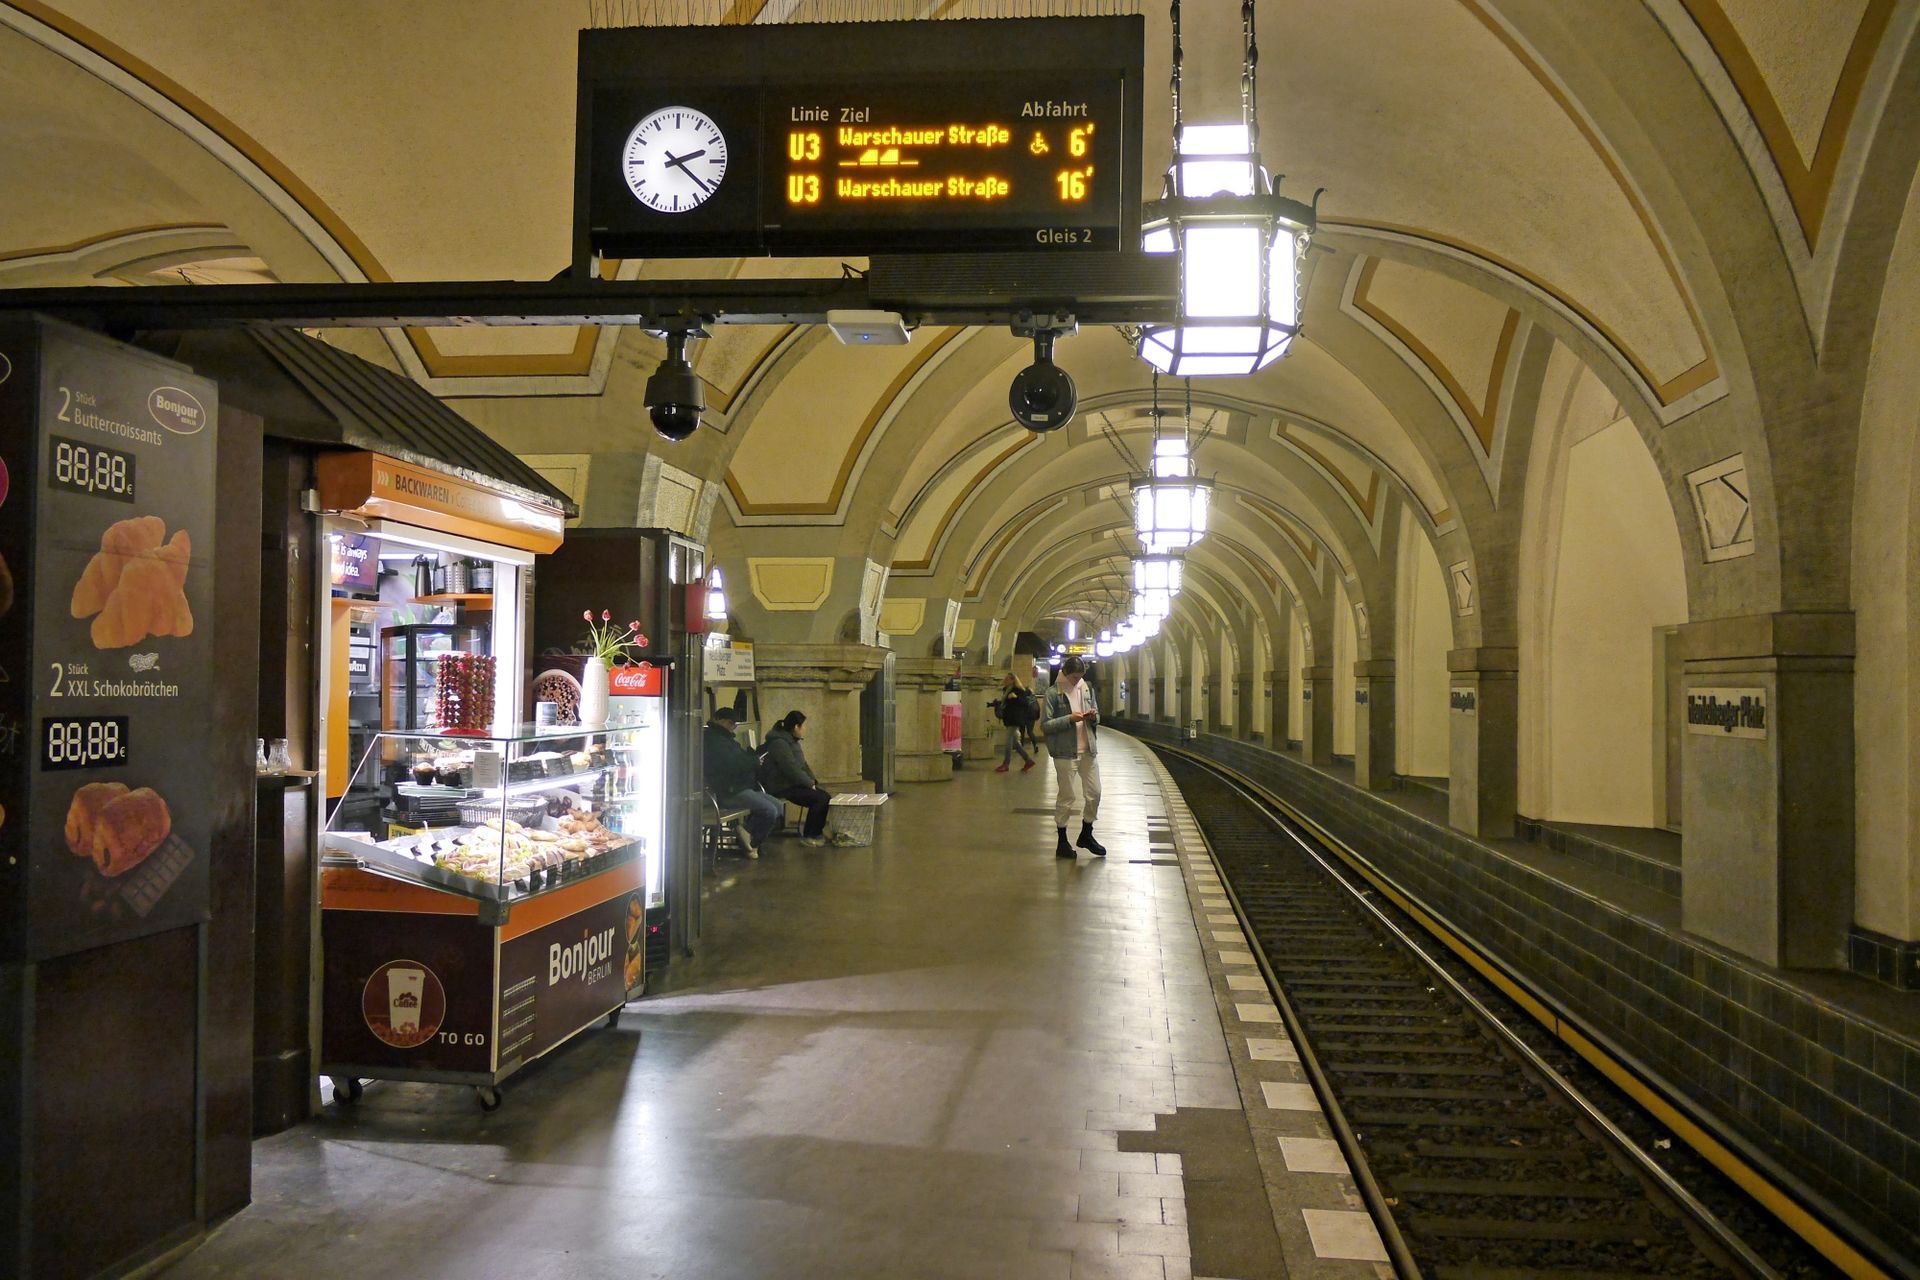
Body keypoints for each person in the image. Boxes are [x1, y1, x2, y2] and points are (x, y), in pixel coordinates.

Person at [1040, 656, 1106, 858]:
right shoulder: (1053, 693)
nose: (1077, 680)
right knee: (1067, 797)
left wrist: (1093, 716)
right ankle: (1062, 841)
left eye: (1080, 677)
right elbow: (1046, 725)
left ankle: (1086, 833)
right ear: (1065, 673)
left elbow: (1097, 716)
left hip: (1088, 750)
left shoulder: (1086, 689)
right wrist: (1069, 718)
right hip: (1065, 753)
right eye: (1074, 677)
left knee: (1095, 793)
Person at [701, 707, 780, 858]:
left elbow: (738, 759)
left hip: (740, 787)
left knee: (778, 806)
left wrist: (752, 758)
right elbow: (732, 764)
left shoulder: (725, 739)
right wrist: (753, 761)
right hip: (728, 791)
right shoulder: (713, 740)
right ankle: (751, 843)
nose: (732, 727)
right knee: (770, 810)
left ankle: (747, 834)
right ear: (720, 720)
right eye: (730, 723)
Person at [760, 709, 832, 847]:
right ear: (796, 727)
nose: (805, 729)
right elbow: (790, 768)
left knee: (824, 796)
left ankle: (816, 833)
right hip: (781, 786)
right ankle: (810, 835)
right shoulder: (779, 743)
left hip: (792, 783)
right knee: (819, 799)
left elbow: (803, 765)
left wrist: (813, 781)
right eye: (803, 726)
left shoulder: (792, 742)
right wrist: (808, 783)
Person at [988, 672, 1037, 773]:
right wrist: (994, 704)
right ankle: (1028, 761)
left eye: (1007, 679)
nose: (1005, 681)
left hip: (1015, 719)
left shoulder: (1019, 690)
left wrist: (1015, 697)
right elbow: (1006, 703)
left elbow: (1025, 703)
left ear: (1012, 680)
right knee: (1015, 743)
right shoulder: (1006, 690)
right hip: (1009, 718)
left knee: (1008, 742)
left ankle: (1006, 764)